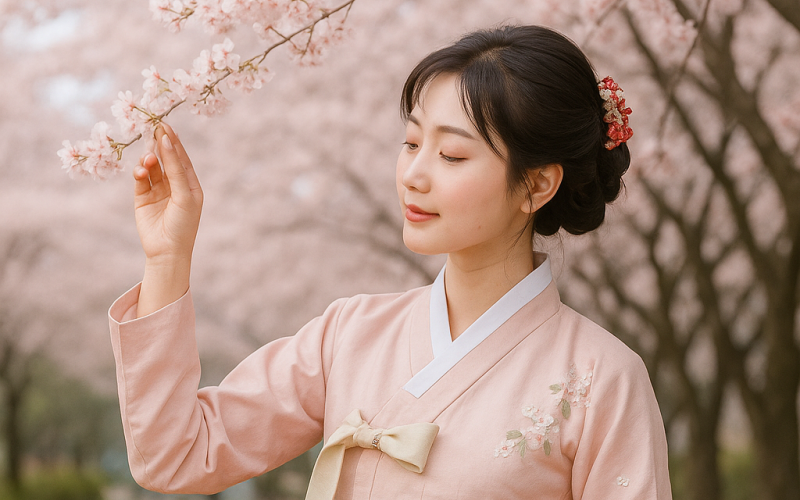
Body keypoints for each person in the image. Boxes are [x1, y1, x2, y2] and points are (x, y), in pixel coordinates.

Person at [108, 25, 671, 499]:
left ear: (537, 183)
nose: (413, 175)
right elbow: (174, 454)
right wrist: (168, 258)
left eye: (451, 154)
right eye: (410, 143)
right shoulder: (348, 334)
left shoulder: (602, 380)